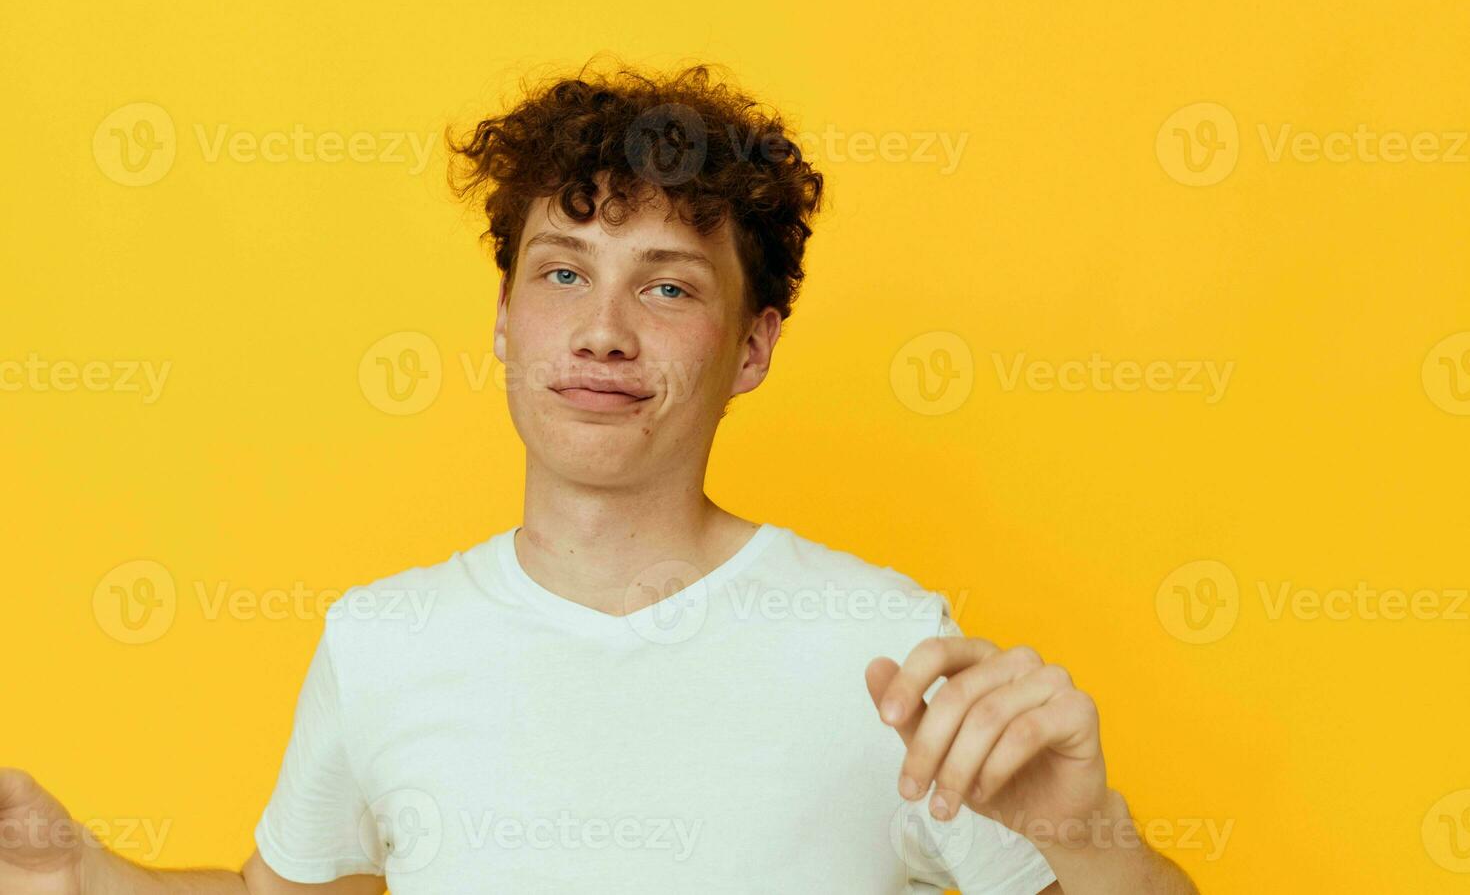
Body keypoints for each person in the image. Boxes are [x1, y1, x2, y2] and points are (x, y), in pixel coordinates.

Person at [0, 61, 1198, 894]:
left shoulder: (883, 646)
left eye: (668, 284)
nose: (604, 330)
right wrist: (82, 874)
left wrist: (1089, 832)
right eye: (562, 273)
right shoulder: (381, 641)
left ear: (754, 346)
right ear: (506, 324)